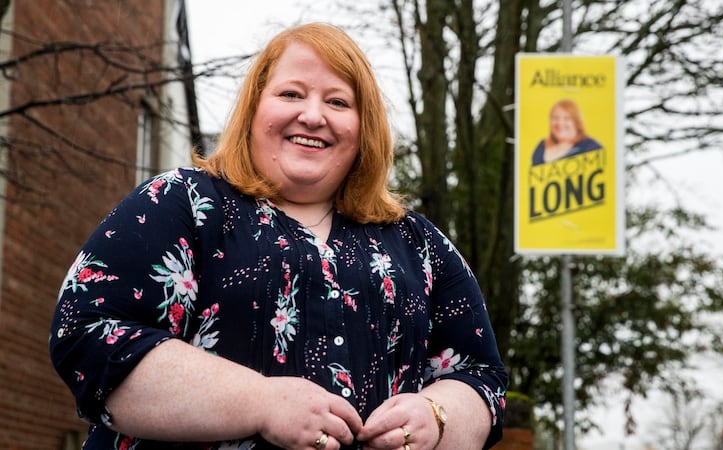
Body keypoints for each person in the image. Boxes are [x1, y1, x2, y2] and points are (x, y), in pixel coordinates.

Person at [50, 22, 507, 450]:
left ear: (364, 128)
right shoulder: (181, 203)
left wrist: (437, 413)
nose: (313, 115)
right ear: (254, 109)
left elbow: (483, 380)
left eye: (338, 102)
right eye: (291, 93)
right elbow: (87, 334)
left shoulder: (419, 244)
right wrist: (261, 401)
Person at [531, 98, 602, 166]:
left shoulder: (590, 147)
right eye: (555, 118)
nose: (560, 123)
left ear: (576, 122)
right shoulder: (541, 146)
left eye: (567, 118)